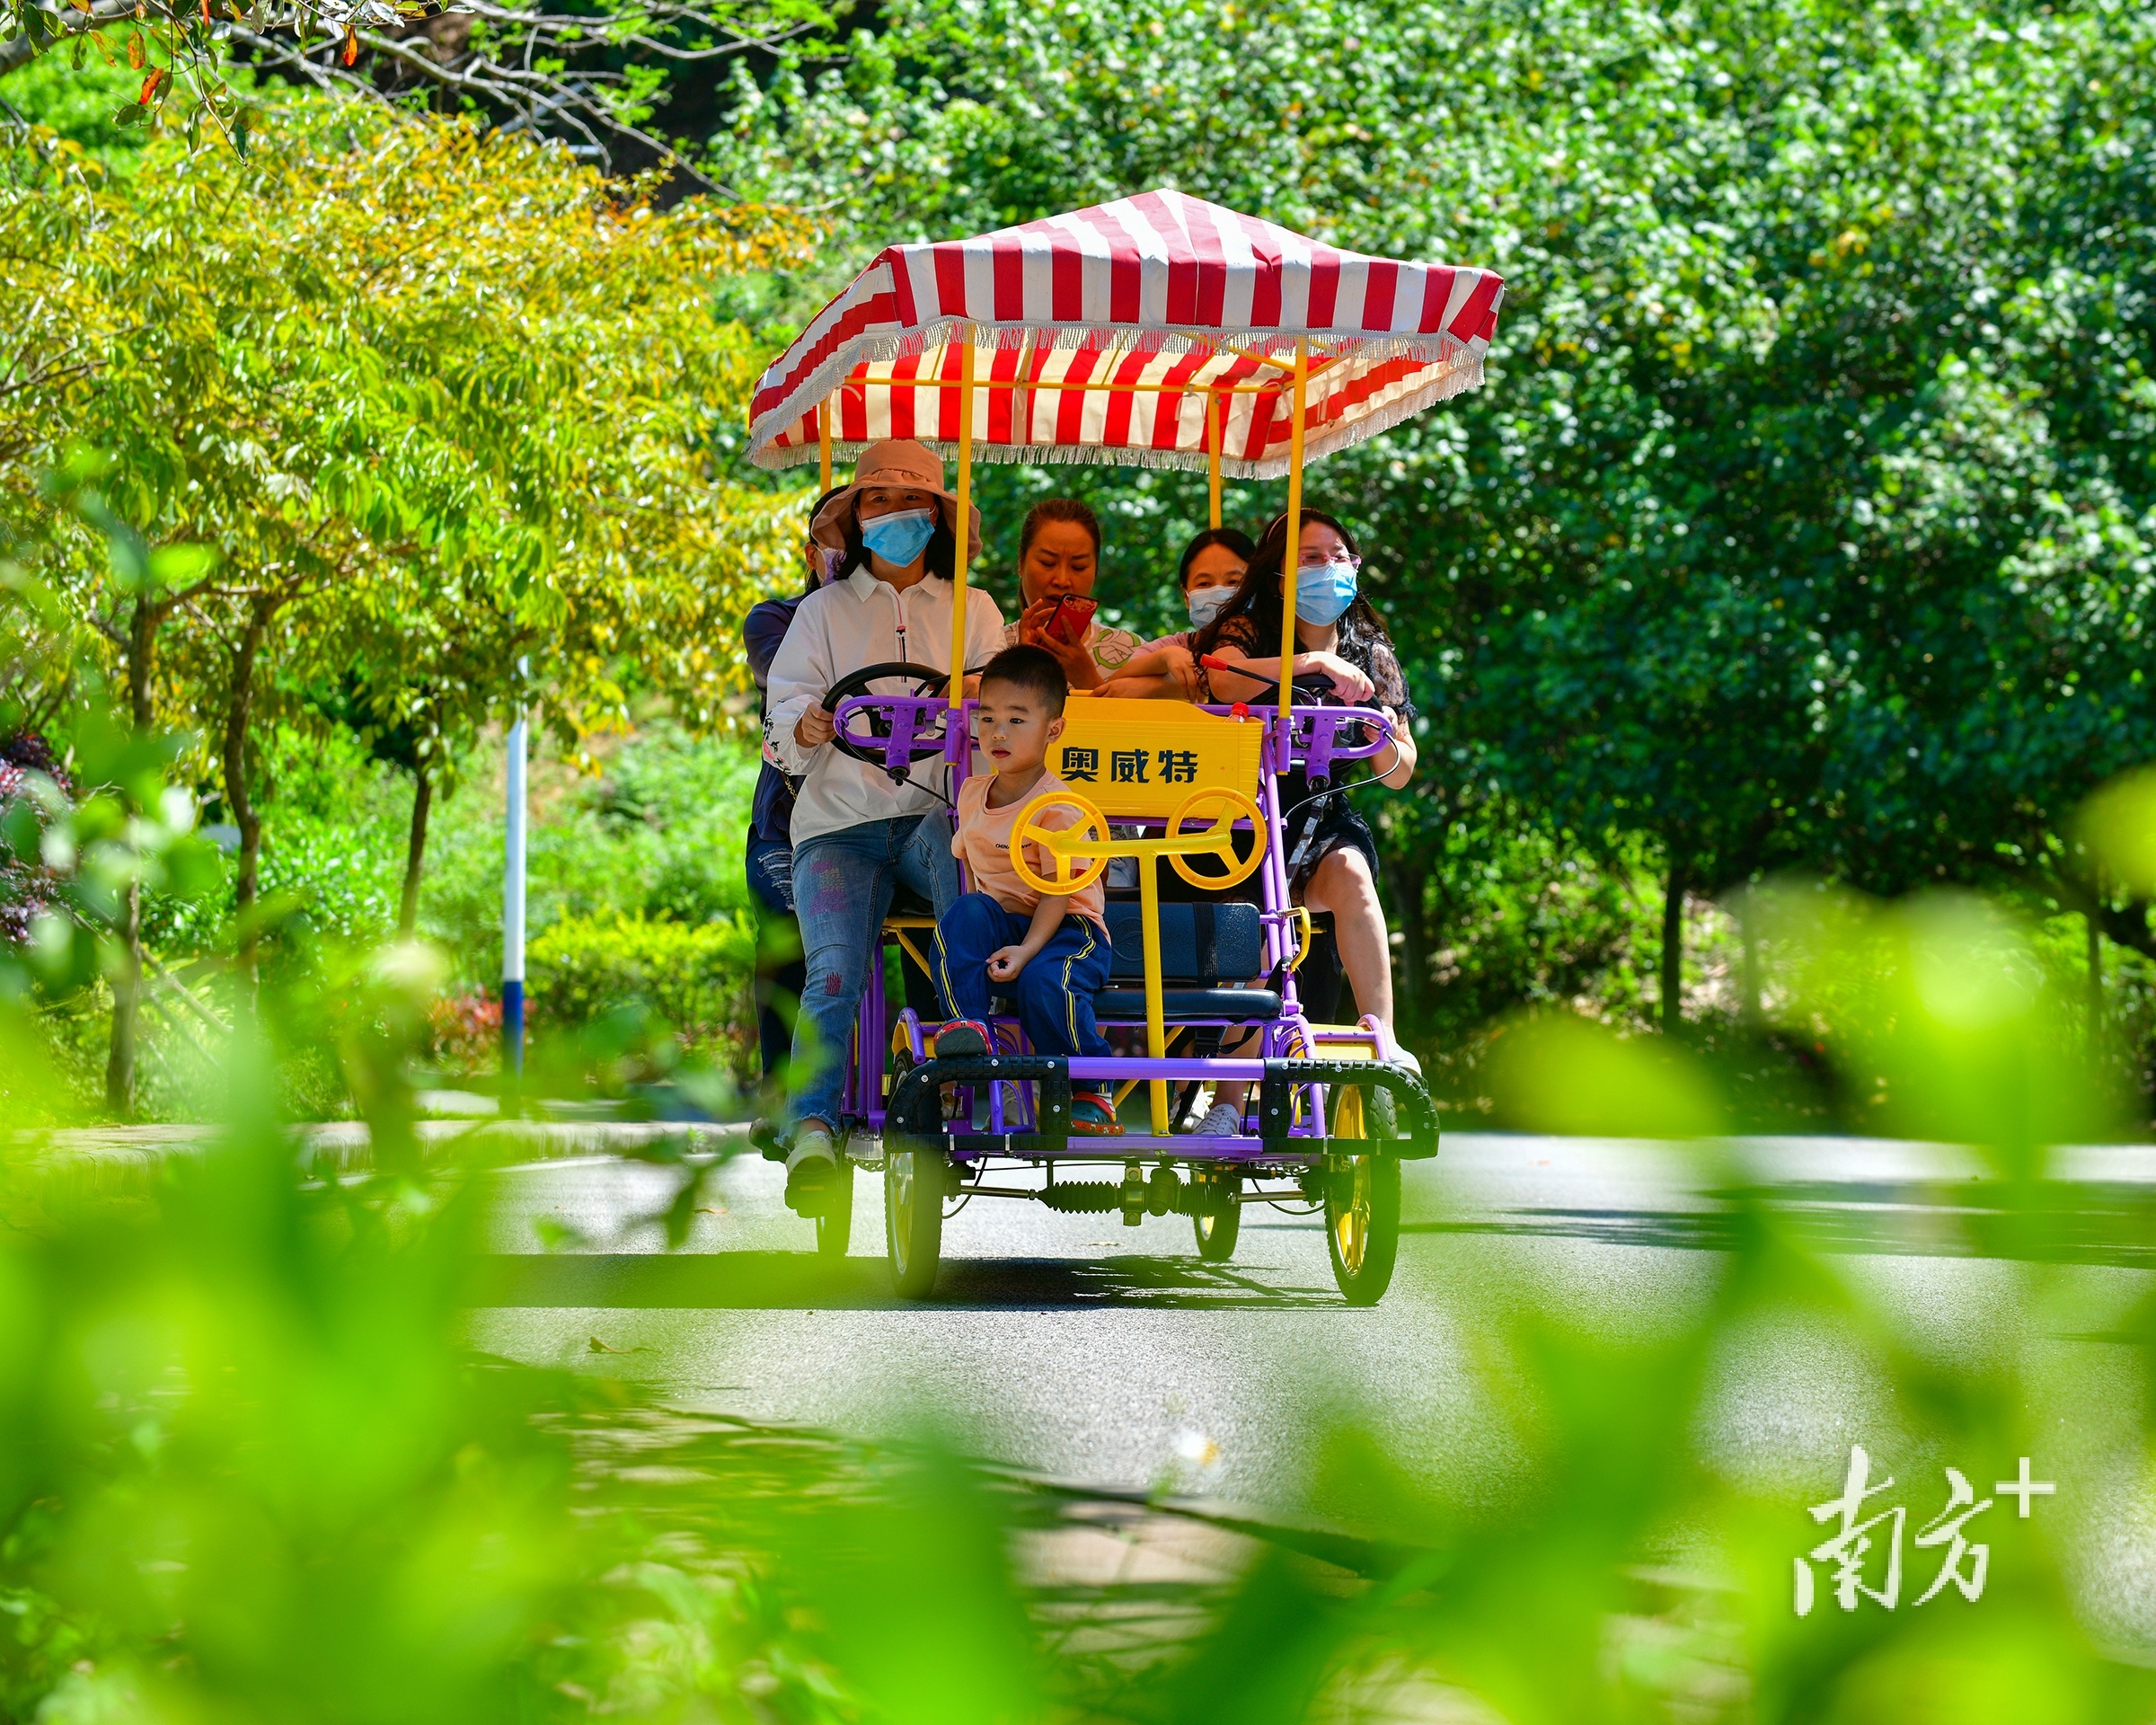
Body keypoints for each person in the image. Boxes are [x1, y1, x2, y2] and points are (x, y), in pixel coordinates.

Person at [764, 439, 1004, 1214]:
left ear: (934, 516)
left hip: (940, 811)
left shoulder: (976, 609)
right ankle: (810, 1132)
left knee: (973, 913)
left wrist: (976, 698)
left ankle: (975, 1052)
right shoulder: (820, 615)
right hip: (838, 821)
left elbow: (1009, 722)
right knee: (833, 969)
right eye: (875, 501)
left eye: (909, 502)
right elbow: (781, 723)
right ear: (854, 518)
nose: (892, 514)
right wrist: (810, 726)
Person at [1189, 508, 1419, 1043]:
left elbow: (1401, 770)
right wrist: (1312, 663)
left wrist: (1379, 737)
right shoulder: (1249, 632)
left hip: (1323, 816)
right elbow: (1223, 679)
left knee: (1353, 876)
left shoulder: (1373, 655)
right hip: (1245, 820)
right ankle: (1226, 1094)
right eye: (1311, 559)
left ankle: (1382, 1041)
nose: (1328, 568)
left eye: (1339, 557)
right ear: (1279, 575)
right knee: (1261, 939)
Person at [932, 646, 1119, 1134]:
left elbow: (1058, 892)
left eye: (1017, 720)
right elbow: (971, 869)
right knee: (962, 916)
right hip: (1004, 921)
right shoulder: (972, 791)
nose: (997, 732)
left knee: (1045, 982)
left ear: (1052, 729)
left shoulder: (1059, 805)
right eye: (987, 717)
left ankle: (1088, 1084)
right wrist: (980, 929)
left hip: (1067, 930)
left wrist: (1027, 950)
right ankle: (966, 1029)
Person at [742, 488, 845, 1091]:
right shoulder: (776, 619)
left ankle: (947, 1079)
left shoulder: (920, 622)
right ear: (812, 555)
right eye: (842, 545)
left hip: (888, 814)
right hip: (791, 822)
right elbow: (786, 679)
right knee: (788, 921)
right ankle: (782, 1087)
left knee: (948, 914)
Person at [1096, 526, 1257, 701]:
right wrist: (1164, 657)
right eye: (1204, 584)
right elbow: (1113, 689)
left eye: (1233, 581)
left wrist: (1156, 688)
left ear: (1256, 588)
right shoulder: (1177, 646)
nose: (1218, 592)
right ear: (1186, 597)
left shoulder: (1274, 646)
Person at [1003, 499, 1144, 691]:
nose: (1062, 580)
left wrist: (1088, 681)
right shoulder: (989, 647)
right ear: (1021, 561)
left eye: (1078, 567)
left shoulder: (1132, 653)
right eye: (1047, 562)